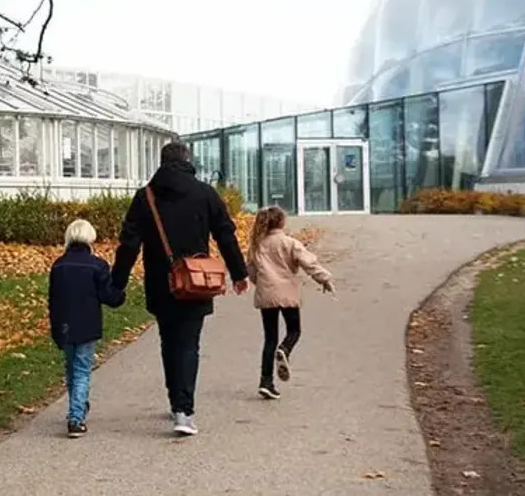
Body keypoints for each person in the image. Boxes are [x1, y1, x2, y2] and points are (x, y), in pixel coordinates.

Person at [111, 141, 248, 437]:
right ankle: (183, 411)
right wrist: (239, 273)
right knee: (188, 344)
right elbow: (225, 233)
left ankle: (177, 402)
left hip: (161, 281)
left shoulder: (145, 197)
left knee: (168, 340)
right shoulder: (205, 193)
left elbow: (129, 243)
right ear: (187, 160)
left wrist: (117, 283)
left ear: (161, 162)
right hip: (197, 279)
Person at [245, 205, 335, 400]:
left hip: (266, 295)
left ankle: (266, 381)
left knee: (270, 338)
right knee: (294, 330)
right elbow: (309, 264)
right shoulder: (290, 243)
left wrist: (261, 283)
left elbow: (251, 273)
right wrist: (324, 279)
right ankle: (284, 349)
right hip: (287, 294)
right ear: (281, 222)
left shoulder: (256, 246)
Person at [48, 219, 125, 439]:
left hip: (64, 324)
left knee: (71, 369)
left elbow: (53, 299)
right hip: (87, 324)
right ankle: (76, 418)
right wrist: (120, 295)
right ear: (90, 239)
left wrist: (55, 327)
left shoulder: (59, 265)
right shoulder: (97, 266)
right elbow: (108, 296)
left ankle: (78, 405)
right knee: (82, 370)